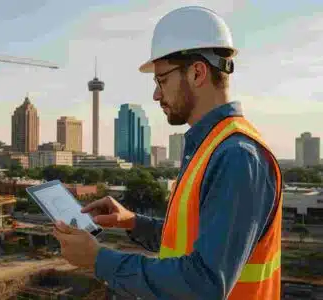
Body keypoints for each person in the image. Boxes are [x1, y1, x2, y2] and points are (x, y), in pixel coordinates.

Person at [53, 6, 282, 300]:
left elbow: (203, 283)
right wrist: (134, 222)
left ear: (197, 72)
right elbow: (192, 242)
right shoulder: (211, 147)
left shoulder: (237, 156)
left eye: (162, 80)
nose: (156, 94)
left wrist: (98, 259)